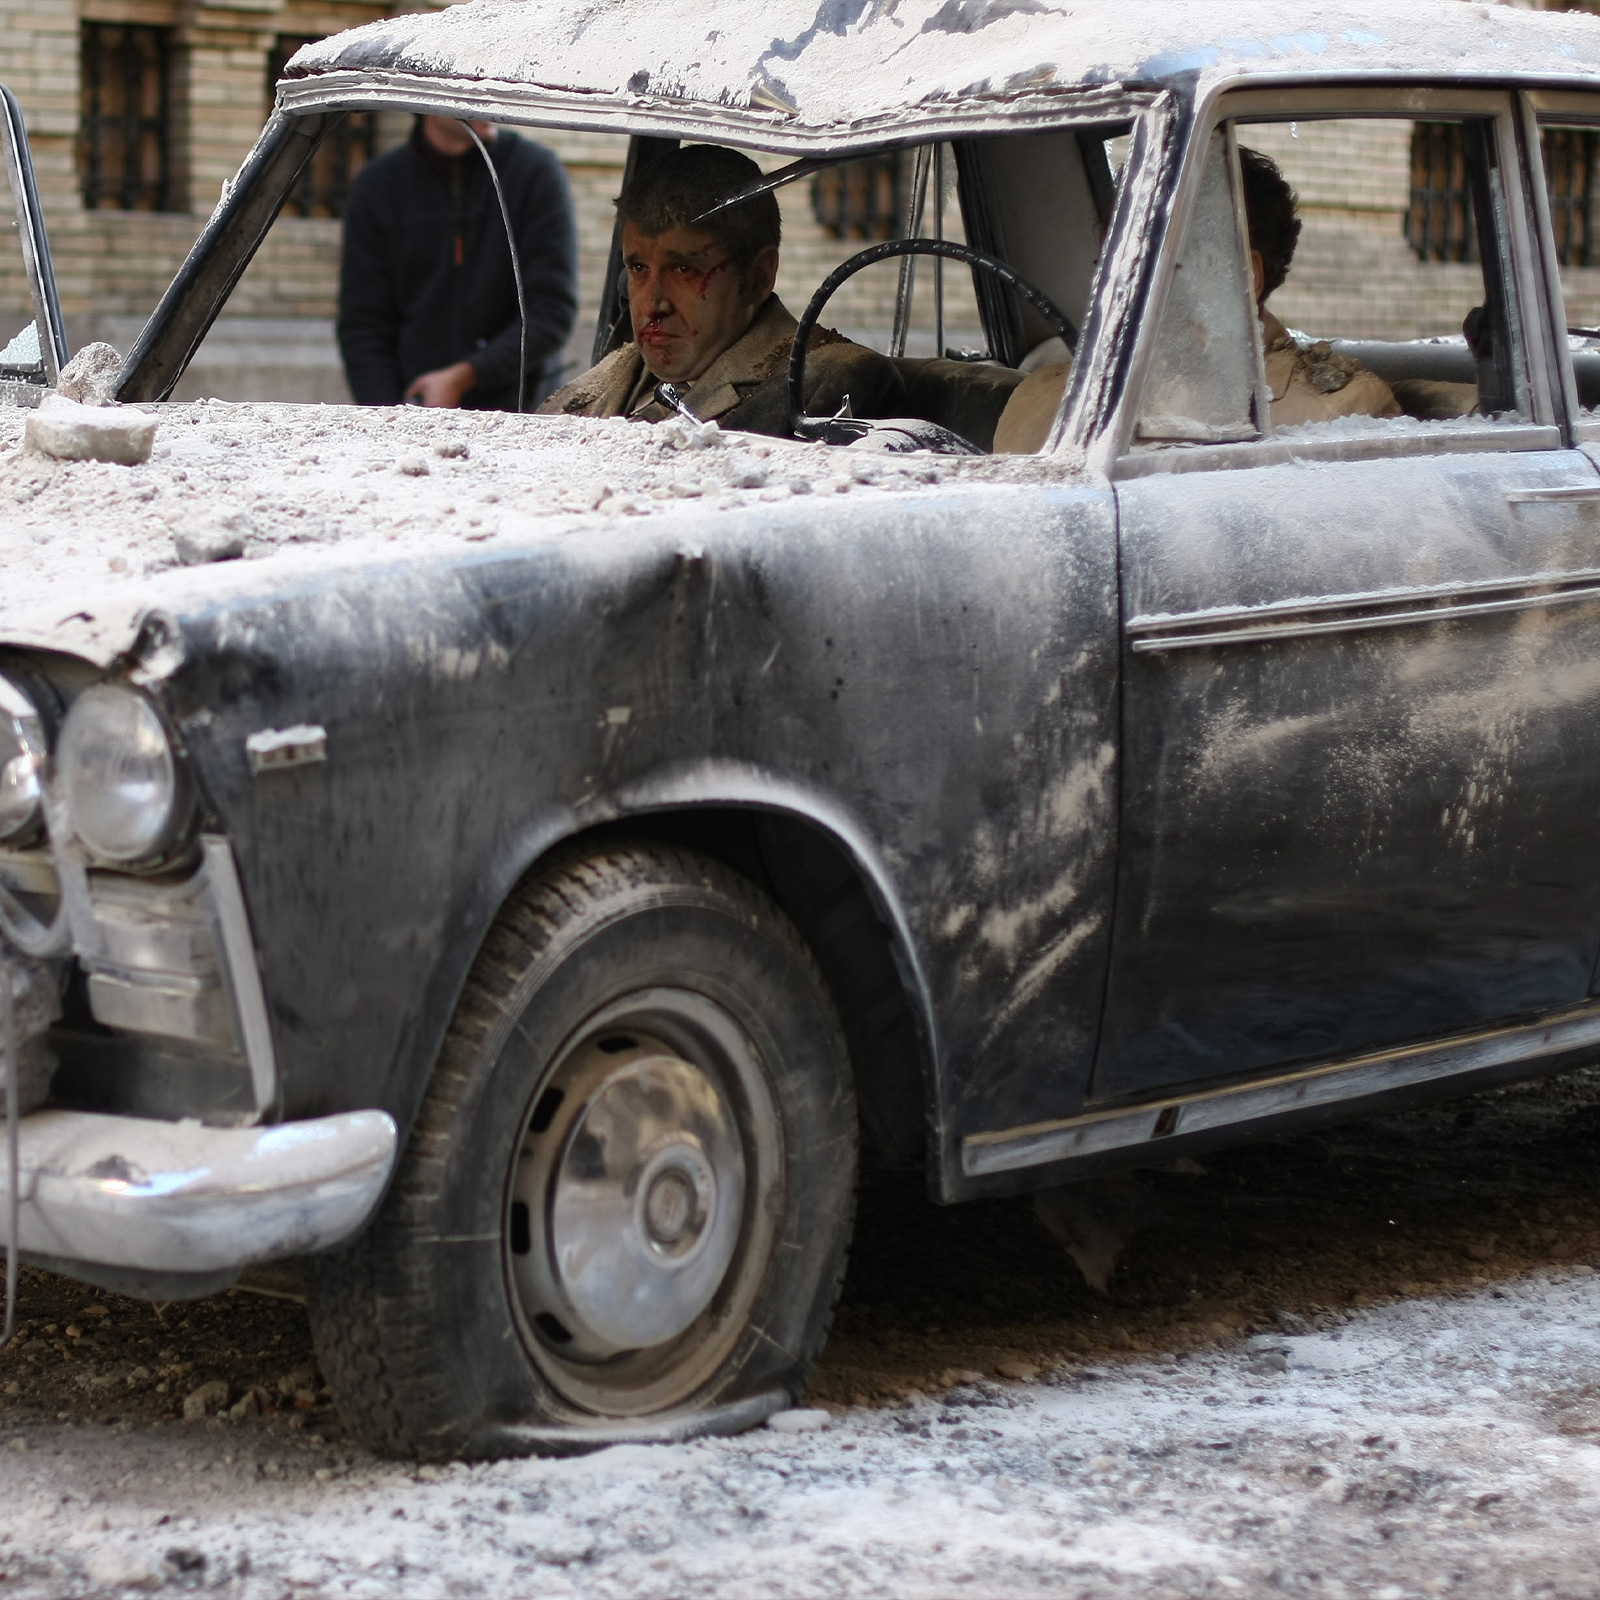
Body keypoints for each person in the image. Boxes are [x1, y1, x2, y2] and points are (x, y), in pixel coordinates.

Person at [993, 145, 1399, 453]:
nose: (1120, 289)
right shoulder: (1046, 394)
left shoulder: (1342, 411)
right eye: (1113, 266)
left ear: (1243, 278)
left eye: (1153, 266)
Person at [540, 144, 904, 434]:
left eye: (684, 269)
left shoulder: (824, 380)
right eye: (638, 268)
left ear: (758, 277)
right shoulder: (614, 374)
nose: (652, 303)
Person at [338, 116, 578, 410]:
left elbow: (551, 312)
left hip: (522, 417)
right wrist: (389, 415)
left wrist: (464, 377)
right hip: (413, 417)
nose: (489, 97)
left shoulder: (535, 171)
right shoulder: (377, 187)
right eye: (472, 85)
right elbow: (364, 325)